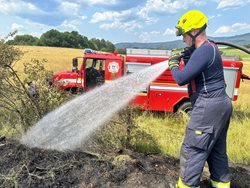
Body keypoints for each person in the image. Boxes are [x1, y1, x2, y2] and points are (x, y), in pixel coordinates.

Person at [168, 10, 232, 188]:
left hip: (208, 106)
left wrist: (173, 64)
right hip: (219, 105)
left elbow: (181, 78)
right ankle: (221, 183)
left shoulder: (204, 51)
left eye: (184, 35)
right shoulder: (208, 48)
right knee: (216, 150)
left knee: (193, 149)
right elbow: (198, 73)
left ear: (194, 30)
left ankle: (187, 185)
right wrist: (189, 58)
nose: (183, 40)